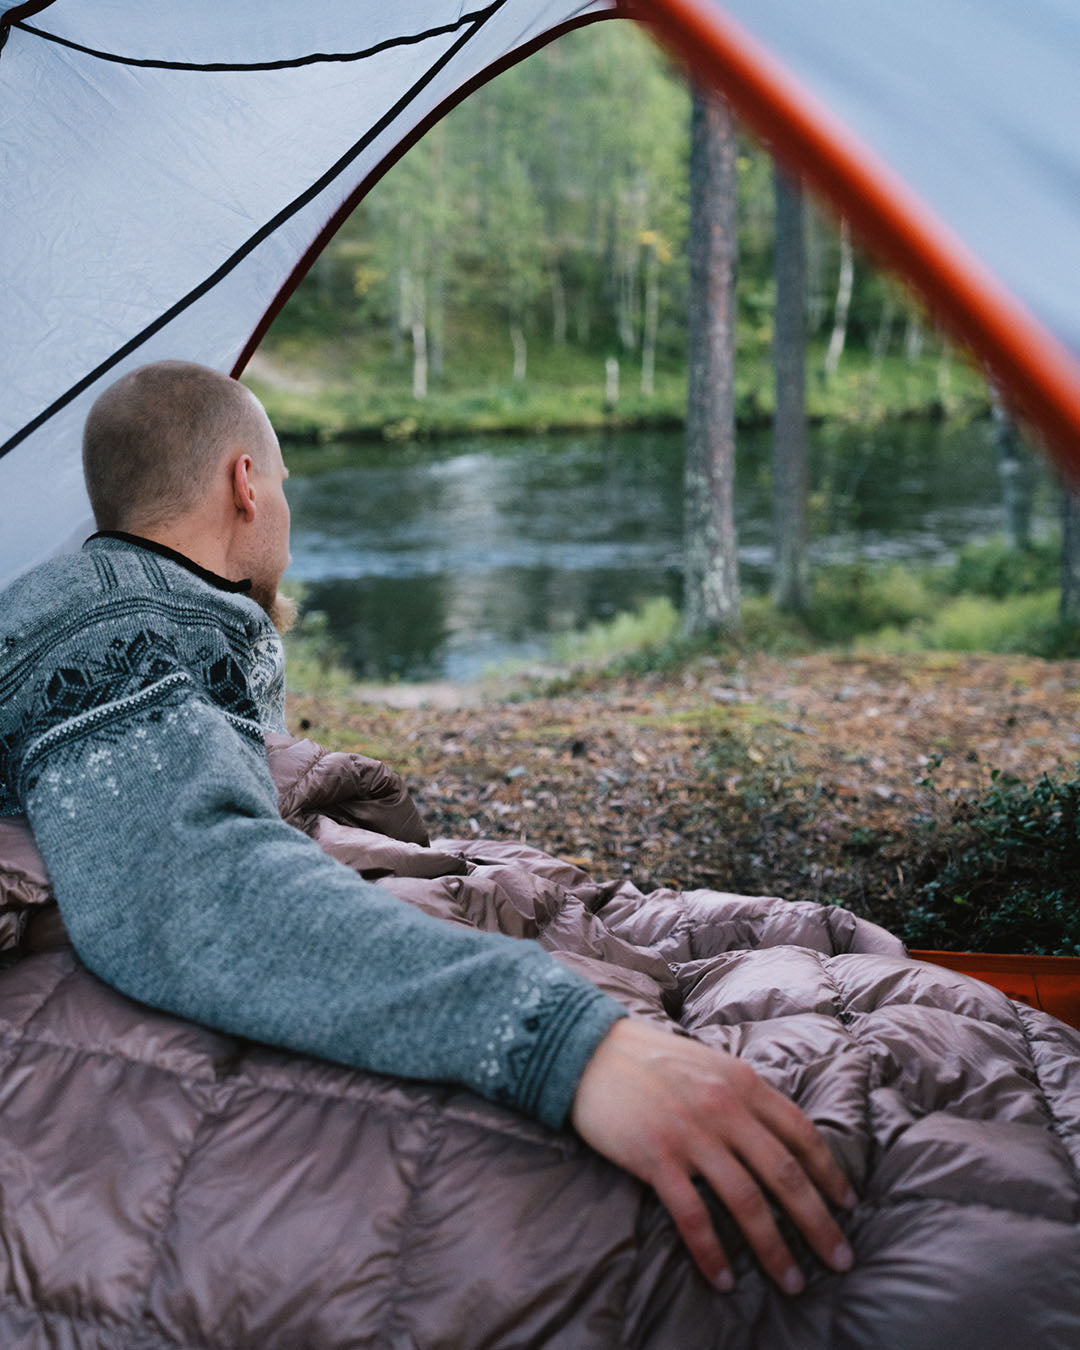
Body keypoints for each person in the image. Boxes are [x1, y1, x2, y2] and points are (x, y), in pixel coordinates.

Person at [0, 360, 855, 1298]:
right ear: (247, 484)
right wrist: (568, 1046)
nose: (284, 505)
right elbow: (186, 883)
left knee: (789, 969)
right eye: (283, 482)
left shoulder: (130, 602)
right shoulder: (114, 622)